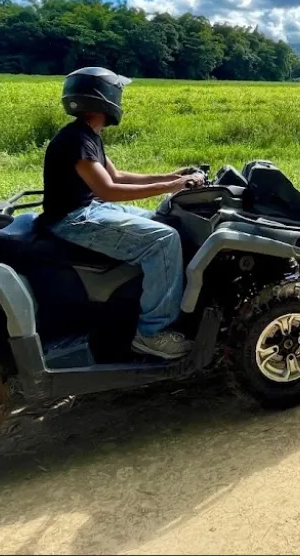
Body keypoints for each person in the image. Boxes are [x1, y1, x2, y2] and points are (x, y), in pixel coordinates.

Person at [40, 67, 205, 360]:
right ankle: (152, 335)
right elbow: (109, 190)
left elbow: (118, 176)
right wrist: (172, 186)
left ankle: (144, 301)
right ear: (106, 99)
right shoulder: (76, 141)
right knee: (163, 240)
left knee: (162, 221)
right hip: (74, 220)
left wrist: (169, 176)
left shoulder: (87, 134)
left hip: (90, 210)